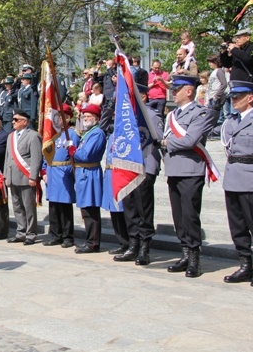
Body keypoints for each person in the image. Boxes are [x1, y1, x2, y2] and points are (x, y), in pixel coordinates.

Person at [160, 75, 217, 278]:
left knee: (190, 215)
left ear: (189, 91)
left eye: (176, 90)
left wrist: (166, 144)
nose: (173, 93)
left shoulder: (199, 113)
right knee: (178, 216)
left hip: (191, 170)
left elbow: (190, 140)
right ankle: (184, 253)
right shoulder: (172, 114)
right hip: (174, 169)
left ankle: (194, 257)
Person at [114, 84, 163, 265]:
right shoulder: (126, 117)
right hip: (129, 169)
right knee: (130, 210)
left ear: (143, 97)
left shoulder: (151, 115)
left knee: (144, 210)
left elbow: (157, 140)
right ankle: (133, 244)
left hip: (144, 168)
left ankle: (144, 247)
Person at [220, 80, 253, 285]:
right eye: (233, 97)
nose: (234, 100)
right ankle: (245, 265)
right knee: (237, 226)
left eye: (238, 97)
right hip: (232, 176)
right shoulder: (231, 120)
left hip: (251, 177)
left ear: (250, 97)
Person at [42, 104, 79, 248]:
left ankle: (68, 237)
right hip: (52, 172)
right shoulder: (53, 134)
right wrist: (44, 171)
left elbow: (73, 154)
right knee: (53, 207)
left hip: (64, 171)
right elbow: (46, 154)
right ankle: (55, 235)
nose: (57, 120)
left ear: (68, 117)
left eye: (60, 117)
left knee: (64, 207)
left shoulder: (72, 134)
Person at [71, 104, 106, 253]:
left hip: (90, 172)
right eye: (84, 116)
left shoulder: (97, 133)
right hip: (83, 172)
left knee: (90, 209)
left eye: (89, 117)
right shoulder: (88, 133)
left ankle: (92, 243)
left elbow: (86, 155)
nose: (85, 119)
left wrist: (72, 150)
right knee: (86, 209)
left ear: (96, 119)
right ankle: (90, 240)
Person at [4, 109, 42, 245]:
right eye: (13, 119)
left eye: (16, 120)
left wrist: (33, 176)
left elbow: (36, 158)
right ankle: (21, 232)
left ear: (24, 122)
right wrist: (6, 176)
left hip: (25, 176)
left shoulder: (33, 136)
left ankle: (31, 234)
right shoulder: (11, 136)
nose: (13, 122)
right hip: (13, 176)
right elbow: (7, 158)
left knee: (28, 207)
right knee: (17, 206)